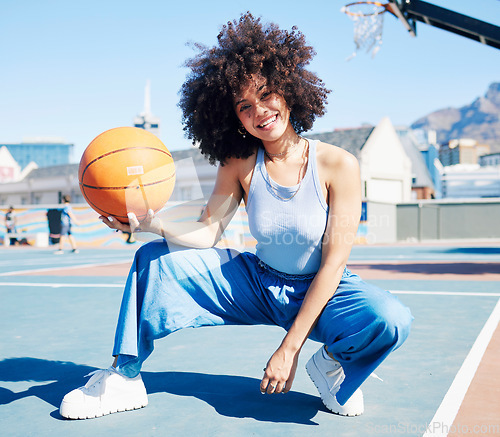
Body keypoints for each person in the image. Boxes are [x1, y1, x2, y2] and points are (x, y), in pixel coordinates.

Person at [60, 13, 412, 420]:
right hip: (256, 284)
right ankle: (125, 376)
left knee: (390, 319)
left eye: (266, 94)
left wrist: (290, 348)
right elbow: (209, 231)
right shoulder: (238, 163)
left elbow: (334, 265)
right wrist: (150, 224)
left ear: (289, 89)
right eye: (245, 106)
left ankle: (332, 363)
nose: (259, 111)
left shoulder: (339, 165)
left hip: (322, 287)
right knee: (153, 259)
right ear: (234, 118)